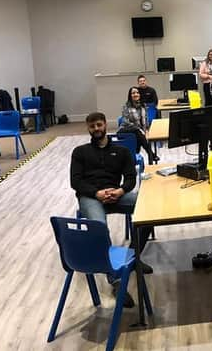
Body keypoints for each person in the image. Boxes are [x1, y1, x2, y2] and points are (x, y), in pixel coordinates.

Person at [70, 112, 153, 307]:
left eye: (99, 125)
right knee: (99, 227)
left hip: (116, 195)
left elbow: (131, 179)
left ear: (106, 124)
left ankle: (133, 256)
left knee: (149, 207)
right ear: (88, 129)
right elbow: (75, 182)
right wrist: (96, 193)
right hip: (91, 197)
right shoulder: (80, 152)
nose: (96, 129)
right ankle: (114, 279)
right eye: (92, 127)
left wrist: (120, 190)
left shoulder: (121, 151)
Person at [118, 86, 158, 162]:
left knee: (139, 138)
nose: (136, 94)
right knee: (138, 133)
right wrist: (140, 129)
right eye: (133, 93)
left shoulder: (143, 106)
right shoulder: (126, 106)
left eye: (137, 92)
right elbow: (126, 122)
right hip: (125, 130)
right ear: (130, 95)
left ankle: (146, 156)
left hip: (138, 133)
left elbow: (145, 120)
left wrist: (146, 130)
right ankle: (151, 154)